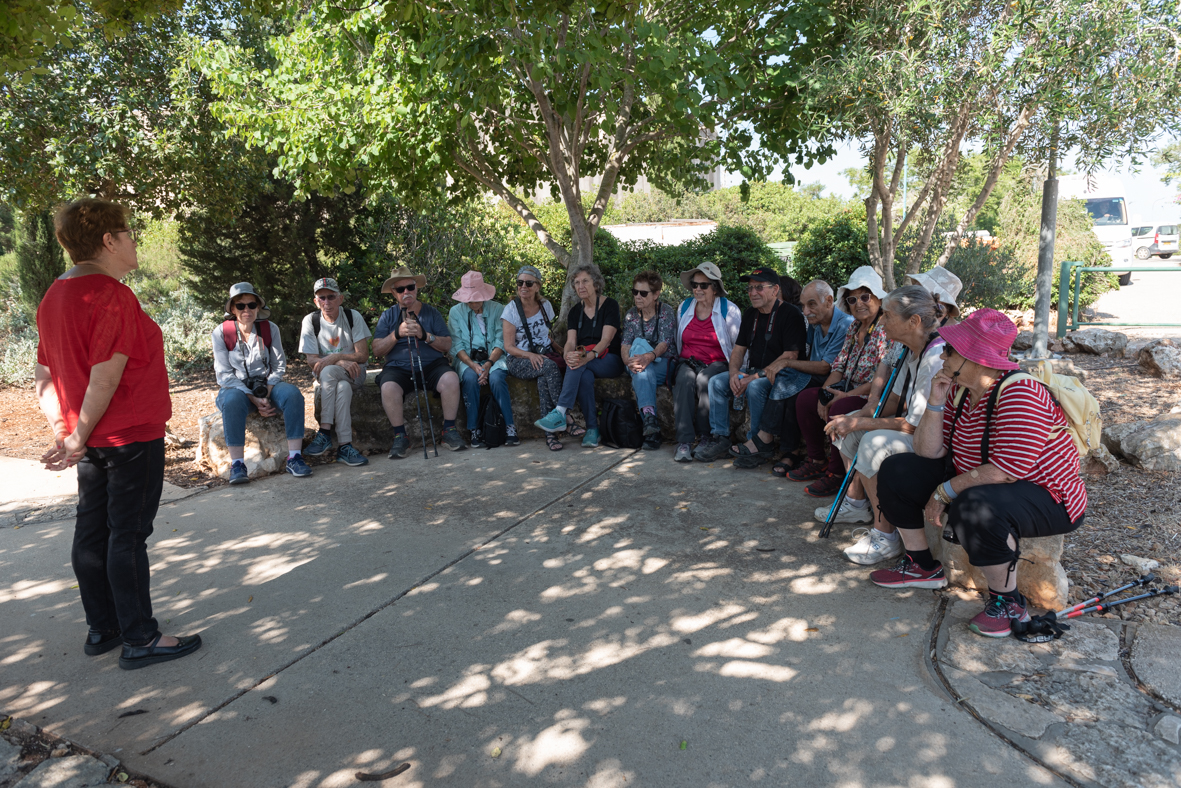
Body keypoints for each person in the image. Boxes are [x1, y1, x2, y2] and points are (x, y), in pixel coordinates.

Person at [35, 198, 200, 670]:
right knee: (126, 535)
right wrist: (75, 434)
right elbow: (106, 377)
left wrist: (70, 432)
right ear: (108, 240)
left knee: (93, 531)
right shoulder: (109, 295)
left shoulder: (53, 296)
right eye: (127, 233)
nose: (133, 241)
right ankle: (140, 637)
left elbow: (43, 374)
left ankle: (102, 627)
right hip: (128, 435)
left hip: (91, 441)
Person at [872, 309, 1087, 638]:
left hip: (1049, 496)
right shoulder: (961, 390)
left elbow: (1006, 470)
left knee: (973, 503)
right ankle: (921, 565)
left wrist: (944, 492)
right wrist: (934, 401)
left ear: (974, 356)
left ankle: (1009, 602)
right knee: (898, 468)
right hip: (984, 481)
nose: (942, 355)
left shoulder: (1020, 392)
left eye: (949, 350)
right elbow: (927, 452)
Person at [819, 286, 947, 565]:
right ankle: (861, 508)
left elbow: (914, 426)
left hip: (937, 441)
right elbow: (894, 400)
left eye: (888, 316)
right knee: (848, 434)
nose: (883, 321)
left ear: (913, 322)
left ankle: (885, 535)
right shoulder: (908, 349)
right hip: (919, 430)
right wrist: (858, 418)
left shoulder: (935, 355)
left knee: (872, 442)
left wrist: (861, 422)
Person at [788, 266, 893, 497]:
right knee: (807, 399)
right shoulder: (854, 326)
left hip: (870, 395)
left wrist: (843, 396)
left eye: (865, 297)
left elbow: (882, 377)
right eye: (852, 299)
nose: (859, 303)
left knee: (840, 407)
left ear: (877, 297)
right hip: (846, 388)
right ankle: (817, 460)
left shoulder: (885, 328)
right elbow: (838, 366)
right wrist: (825, 393)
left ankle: (836, 475)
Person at [702, 267, 808, 466]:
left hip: (783, 374)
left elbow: (790, 355)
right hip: (752, 371)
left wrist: (753, 377)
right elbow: (739, 349)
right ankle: (721, 438)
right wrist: (734, 373)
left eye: (759, 287)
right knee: (716, 382)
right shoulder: (751, 313)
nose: (752, 293)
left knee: (755, 386)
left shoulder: (790, 314)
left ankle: (758, 445)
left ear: (775, 289)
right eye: (750, 288)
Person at [214, 282, 311, 482]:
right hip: (237, 389)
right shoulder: (222, 333)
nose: (246, 310)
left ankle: (295, 457)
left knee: (293, 395)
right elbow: (224, 375)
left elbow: (279, 366)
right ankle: (238, 464)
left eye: (251, 304)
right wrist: (253, 398)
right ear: (232, 309)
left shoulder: (269, 329)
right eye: (240, 306)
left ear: (258, 307)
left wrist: (266, 393)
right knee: (231, 401)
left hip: (267, 385)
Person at [764, 280, 856, 477]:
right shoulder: (816, 324)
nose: (805, 311)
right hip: (817, 377)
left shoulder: (844, 325)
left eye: (811, 304)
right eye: (803, 305)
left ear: (829, 301)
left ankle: (772, 441)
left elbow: (825, 367)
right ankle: (797, 453)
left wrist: (787, 364)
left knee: (791, 384)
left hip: (834, 380)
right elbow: (806, 356)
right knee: (785, 381)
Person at [372, 266, 466, 456]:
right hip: (398, 368)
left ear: (416, 288)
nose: (406, 292)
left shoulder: (431, 313)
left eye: (410, 287)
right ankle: (400, 436)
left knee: (451, 379)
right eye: (400, 289)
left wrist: (425, 336)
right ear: (393, 293)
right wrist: (396, 334)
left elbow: (447, 345)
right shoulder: (388, 316)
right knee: (388, 387)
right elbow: (376, 350)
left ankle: (448, 430)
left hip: (432, 365)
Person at [534, 263, 625, 447]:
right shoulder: (575, 312)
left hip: (609, 359)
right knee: (582, 375)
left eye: (585, 281)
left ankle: (560, 411)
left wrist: (588, 356)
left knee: (579, 364)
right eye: (576, 282)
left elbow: (606, 340)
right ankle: (592, 429)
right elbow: (570, 342)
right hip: (585, 362)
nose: (580, 286)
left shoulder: (610, 305)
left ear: (596, 284)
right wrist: (568, 355)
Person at [671, 262, 741, 463]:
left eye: (704, 285)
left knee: (705, 380)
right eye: (695, 285)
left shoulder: (730, 310)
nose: (698, 289)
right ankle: (684, 441)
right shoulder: (684, 307)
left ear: (715, 288)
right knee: (683, 380)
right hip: (689, 361)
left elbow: (738, 346)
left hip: (718, 362)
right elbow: (678, 339)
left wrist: (739, 372)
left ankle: (705, 437)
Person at [299, 277, 370, 467]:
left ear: (340, 298)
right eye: (321, 298)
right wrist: (339, 360)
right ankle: (345, 446)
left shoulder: (352, 316)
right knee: (343, 387)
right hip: (335, 375)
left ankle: (324, 432)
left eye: (331, 297)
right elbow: (311, 360)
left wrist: (334, 360)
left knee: (329, 371)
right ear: (316, 301)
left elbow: (363, 355)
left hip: (355, 372)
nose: (326, 302)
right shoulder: (310, 320)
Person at [449, 271, 517, 447]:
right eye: (469, 299)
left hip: (494, 358)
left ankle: (510, 426)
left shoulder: (498, 309)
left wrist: (488, 364)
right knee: (470, 379)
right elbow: (457, 345)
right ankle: (474, 429)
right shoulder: (455, 312)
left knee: (496, 378)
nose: (473, 302)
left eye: (477, 298)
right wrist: (473, 365)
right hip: (467, 361)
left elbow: (501, 340)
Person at [502, 265, 566, 451]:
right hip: (518, 360)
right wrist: (530, 355)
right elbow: (508, 347)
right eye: (520, 282)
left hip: (542, 356)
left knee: (543, 378)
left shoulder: (545, 306)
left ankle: (550, 435)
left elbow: (545, 335)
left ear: (537, 286)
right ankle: (565, 416)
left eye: (528, 283)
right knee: (549, 367)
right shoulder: (511, 310)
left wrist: (558, 348)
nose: (523, 286)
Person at [620, 270, 677, 450]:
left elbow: (665, 343)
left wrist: (649, 357)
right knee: (641, 371)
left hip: (663, 362)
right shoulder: (631, 315)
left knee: (643, 373)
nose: (638, 296)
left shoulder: (666, 312)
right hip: (637, 362)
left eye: (643, 293)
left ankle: (652, 430)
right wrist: (628, 362)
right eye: (635, 292)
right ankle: (651, 426)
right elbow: (625, 344)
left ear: (656, 294)